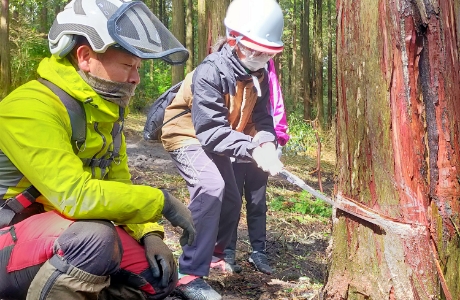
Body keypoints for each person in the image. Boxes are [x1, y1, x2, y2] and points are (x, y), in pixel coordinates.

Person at [0, 1, 195, 299]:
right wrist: (163, 201)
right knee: (95, 240)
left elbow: (117, 187)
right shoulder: (30, 107)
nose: (135, 78)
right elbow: (74, 196)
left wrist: (150, 233)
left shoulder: (104, 114)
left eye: (138, 68)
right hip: (10, 236)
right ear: (85, 56)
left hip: (55, 234)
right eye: (128, 65)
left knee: (159, 277)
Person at [158, 0, 285, 299]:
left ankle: (213, 253)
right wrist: (252, 149)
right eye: (256, 51)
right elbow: (210, 131)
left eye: (269, 53)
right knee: (211, 186)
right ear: (234, 42)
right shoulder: (210, 72)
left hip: (223, 138)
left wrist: (266, 142)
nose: (262, 57)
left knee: (230, 197)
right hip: (188, 135)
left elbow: (262, 118)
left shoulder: (260, 75)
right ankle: (189, 274)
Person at [224, 58, 290, 275]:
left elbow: (272, 107)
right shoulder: (224, 71)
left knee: (257, 202)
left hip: (260, 148)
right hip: (232, 148)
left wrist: (274, 140)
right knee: (231, 202)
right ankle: (227, 252)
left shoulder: (264, 69)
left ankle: (258, 251)